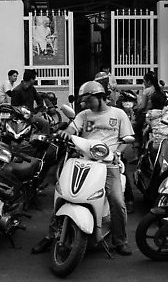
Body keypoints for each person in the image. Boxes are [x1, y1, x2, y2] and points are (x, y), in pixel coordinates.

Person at [31, 81, 134, 256]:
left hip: (108, 164)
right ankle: (51, 235)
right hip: (82, 160)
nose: (86, 104)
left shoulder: (119, 114)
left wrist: (118, 153)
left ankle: (119, 240)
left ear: (100, 97)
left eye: (89, 100)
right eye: (84, 101)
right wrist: (66, 133)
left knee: (117, 201)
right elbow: (72, 128)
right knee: (63, 193)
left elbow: (127, 138)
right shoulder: (84, 115)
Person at [10, 69, 50, 133]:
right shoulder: (17, 91)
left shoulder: (32, 89)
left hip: (31, 115)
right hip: (22, 118)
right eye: (34, 79)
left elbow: (39, 99)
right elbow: (14, 107)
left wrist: (38, 111)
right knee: (45, 124)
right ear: (31, 79)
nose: (34, 81)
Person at [134, 71, 159, 148]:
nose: (143, 83)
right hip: (157, 113)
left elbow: (143, 106)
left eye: (144, 81)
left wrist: (136, 110)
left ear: (148, 81)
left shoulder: (147, 91)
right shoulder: (158, 89)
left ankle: (138, 142)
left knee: (136, 126)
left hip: (146, 114)